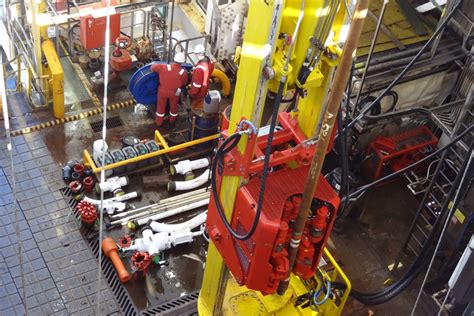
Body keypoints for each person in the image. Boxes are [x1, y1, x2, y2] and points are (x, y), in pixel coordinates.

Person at [150, 52, 188, 126]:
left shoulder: (164, 67)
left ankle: (159, 122)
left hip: (162, 91)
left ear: (174, 59)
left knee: (160, 106)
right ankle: (172, 121)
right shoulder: (183, 72)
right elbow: (184, 83)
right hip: (175, 93)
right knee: (174, 107)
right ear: (182, 62)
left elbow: (152, 68)